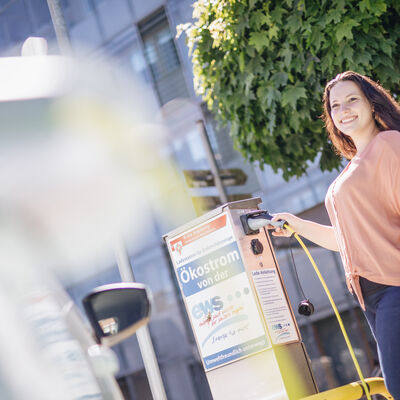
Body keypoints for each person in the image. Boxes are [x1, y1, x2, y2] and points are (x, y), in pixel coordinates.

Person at [271, 71, 400, 399]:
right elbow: (345, 241)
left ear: (372, 104)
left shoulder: (389, 145)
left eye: (352, 99)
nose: (343, 109)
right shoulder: (354, 165)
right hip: (371, 294)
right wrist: (296, 224)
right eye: (335, 105)